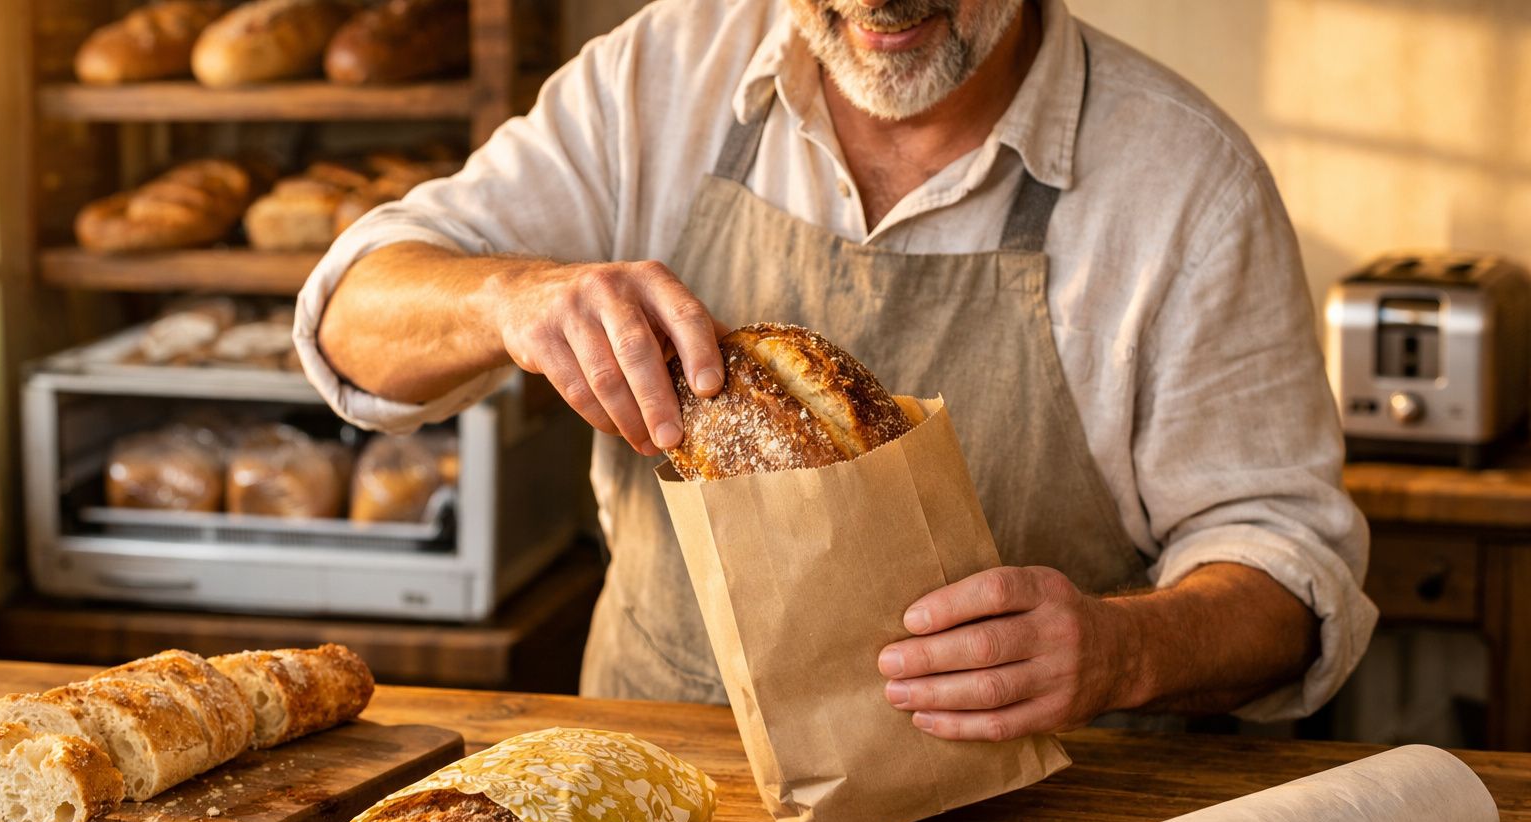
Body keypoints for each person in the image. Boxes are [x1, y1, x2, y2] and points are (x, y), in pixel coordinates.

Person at [295, 0, 1377, 740]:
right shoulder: (663, 75)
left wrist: (1123, 651)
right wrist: (507, 296)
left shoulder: (1188, 182)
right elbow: (352, 316)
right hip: (664, 802)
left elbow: (1288, 571)